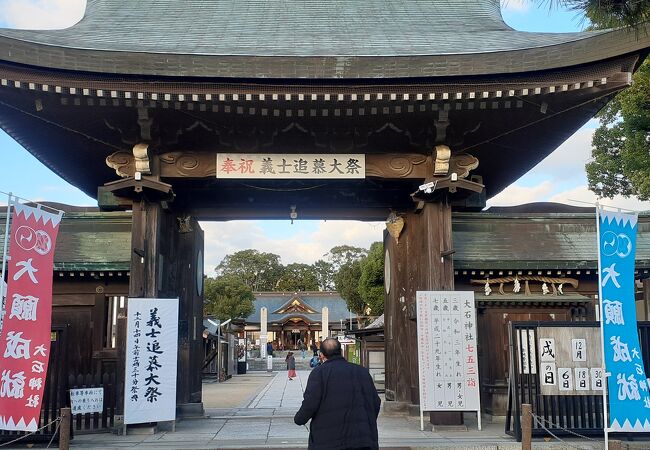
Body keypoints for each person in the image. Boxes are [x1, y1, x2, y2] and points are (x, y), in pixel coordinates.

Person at [294, 338, 380, 450]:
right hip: (361, 438)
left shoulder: (319, 373)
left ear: (322, 354)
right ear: (341, 351)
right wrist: (365, 420)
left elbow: (310, 403)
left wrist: (299, 419)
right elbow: (375, 402)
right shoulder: (362, 371)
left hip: (328, 438)